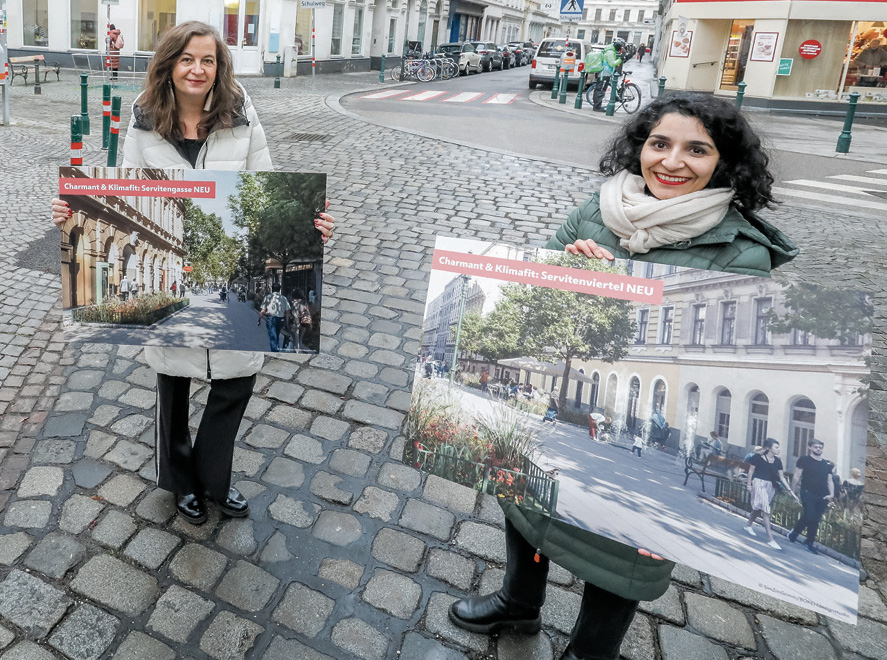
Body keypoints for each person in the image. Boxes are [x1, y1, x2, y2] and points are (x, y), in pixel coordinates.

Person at [451, 93, 798, 660]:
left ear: (724, 162)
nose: (672, 161)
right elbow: (533, 277)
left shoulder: (740, 252)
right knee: (526, 502)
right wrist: (567, 266)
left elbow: (726, 350)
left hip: (635, 410)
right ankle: (519, 602)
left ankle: (590, 653)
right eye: (659, 143)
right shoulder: (601, 208)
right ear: (641, 146)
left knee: (622, 552)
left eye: (697, 150)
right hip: (569, 388)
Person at [51, 21, 334, 526]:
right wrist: (74, 210)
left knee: (234, 386)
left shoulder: (242, 118)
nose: (197, 69)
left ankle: (214, 480)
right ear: (169, 64)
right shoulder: (142, 123)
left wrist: (310, 224)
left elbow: (265, 185)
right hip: (171, 274)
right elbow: (118, 192)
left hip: (229, 274)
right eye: (187, 59)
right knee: (173, 391)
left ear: (220, 67)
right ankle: (182, 483)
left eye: (208, 60)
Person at [743, 438, 798, 550]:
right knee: (766, 510)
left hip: (770, 486)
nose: (778, 449)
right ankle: (770, 539)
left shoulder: (777, 461)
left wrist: (791, 492)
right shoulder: (757, 457)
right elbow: (751, 471)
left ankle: (748, 525)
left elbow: (782, 477)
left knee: (759, 508)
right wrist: (749, 485)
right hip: (758, 483)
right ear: (769, 448)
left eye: (778, 447)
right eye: (776, 447)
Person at [788, 438, 835, 554]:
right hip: (807, 491)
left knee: (815, 518)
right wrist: (793, 491)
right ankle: (809, 542)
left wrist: (831, 494)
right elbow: (796, 476)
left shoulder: (827, 464)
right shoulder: (804, 460)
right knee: (810, 516)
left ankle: (796, 534)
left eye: (820, 447)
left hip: (823, 495)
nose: (818, 449)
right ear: (810, 447)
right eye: (816, 447)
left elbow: (830, 480)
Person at [591, 39, 624, 112]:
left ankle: (596, 105)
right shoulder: (610, 52)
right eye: (620, 47)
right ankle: (597, 107)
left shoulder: (609, 50)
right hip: (605, 73)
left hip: (604, 73)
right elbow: (611, 63)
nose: (620, 48)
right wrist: (620, 60)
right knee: (601, 90)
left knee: (599, 89)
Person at [259, 284, 291, 352]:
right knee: (276, 335)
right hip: (281, 320)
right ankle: (277, 350)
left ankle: (275, 353)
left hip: (271, 319)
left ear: (272, 289)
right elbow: (287, 312)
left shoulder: (268, 297)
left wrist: (259, 319)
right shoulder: (284, 298)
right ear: (279, 289)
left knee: (273, 338)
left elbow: (263, 310)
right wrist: (287, 323)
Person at [282, 287, 312, 352]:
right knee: (300, 340)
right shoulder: (304, 302)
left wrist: (287, 324)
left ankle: (296, 354)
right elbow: (307, 313)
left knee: (295, 341)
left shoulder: (291, 302)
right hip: (303, 323)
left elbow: (287, 314)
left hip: (294, 323)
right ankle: (298, 352)